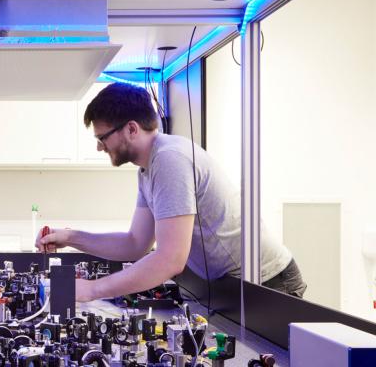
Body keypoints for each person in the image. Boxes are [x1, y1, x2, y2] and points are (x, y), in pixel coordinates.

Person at [36, 82, 305, 302]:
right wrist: (71, 237)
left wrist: (93, 290)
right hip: (235, 284)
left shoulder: (169, 160)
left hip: (270, 282)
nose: (100, 147)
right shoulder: (147, 169)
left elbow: (170, 260)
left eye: (102, 137)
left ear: (131, 129)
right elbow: (135, 243)